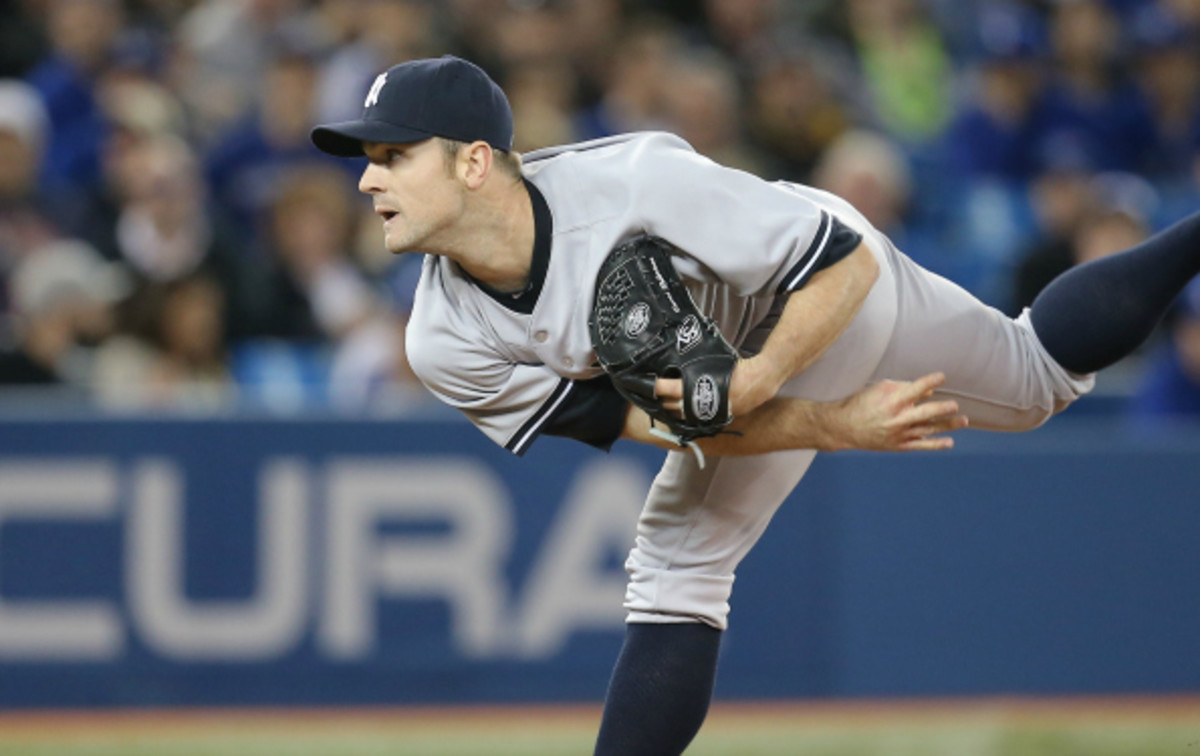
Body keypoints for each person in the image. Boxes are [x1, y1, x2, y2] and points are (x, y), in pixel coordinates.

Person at [310, 55, 1200, 756]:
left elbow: (844, 258)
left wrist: (765, 378)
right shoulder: (442, 340)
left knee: (676, 571)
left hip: (817, 284)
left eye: (393, 155)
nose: (367, 180)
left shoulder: (634, 180)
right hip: (749, 365)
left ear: (473, 161)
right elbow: (666, 424)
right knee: (1034, 374)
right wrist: (830, 424)